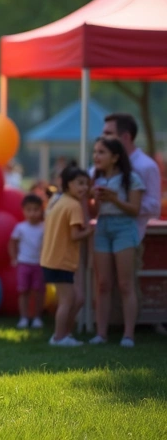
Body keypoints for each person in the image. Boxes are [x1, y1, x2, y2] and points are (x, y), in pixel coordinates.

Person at [100, 113, 163, 334]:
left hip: (132, 235)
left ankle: (131, 331)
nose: (103, 137)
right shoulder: (103, 163)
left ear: (125, 136)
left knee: (127, 284)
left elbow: (153, 206)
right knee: (104, 284)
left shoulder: (145, 167)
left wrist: (121, 204)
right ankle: (106, 330)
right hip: (103, 234)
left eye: (108, 133)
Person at [89, 137, 145, 347]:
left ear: (115, 157)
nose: (96, 156)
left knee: (125, 284)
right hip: (102, 227)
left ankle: (128, 335)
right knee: (102, 284)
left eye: (101, 152)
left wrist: (114, 199)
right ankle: (100, 333)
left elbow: (135, 210)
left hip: (124, 228)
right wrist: (94, 199)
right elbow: (93, 213)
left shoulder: (132, 179)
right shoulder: (96, 178)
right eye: (95, 152)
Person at [42, 166, 93, 347]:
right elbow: (75, 235)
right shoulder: (73, 205)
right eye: (79, 183)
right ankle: (58, 338)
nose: (84, 188)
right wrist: (90, 230)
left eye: (86, 184)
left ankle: (64, 334)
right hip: (61, 261)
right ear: (67, 184)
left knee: (74, 299)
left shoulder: (59, 201)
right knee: (67, 300)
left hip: (52, 260)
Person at [7, 194, 46, 330]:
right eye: (29, 210)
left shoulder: (44, 227)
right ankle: (23, 318)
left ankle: (37, 317)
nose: (32, 213)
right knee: (23, 291)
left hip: (39, 264)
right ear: (23, 210)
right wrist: (14, 257)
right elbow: (12, 242)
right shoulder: (20, 227)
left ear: (41, 210)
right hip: (24, 263)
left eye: (36, 209)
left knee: (38, 291)